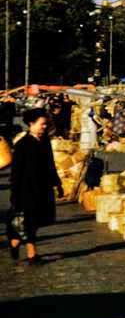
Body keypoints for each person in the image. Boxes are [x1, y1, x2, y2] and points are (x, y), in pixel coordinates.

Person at [8, 109, 63, 264]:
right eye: (42, 124)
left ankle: (15, 241)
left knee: (38, 220)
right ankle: (32, 255)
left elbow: (51, 165)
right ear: (31, 124)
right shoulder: (22, 145)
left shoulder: (44, 141)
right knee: (30, 222)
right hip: (27, 190)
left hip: (43, 189)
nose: (44, 127)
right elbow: (16, 173)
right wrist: (15, 195)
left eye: (46, 124)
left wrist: (57, 184)